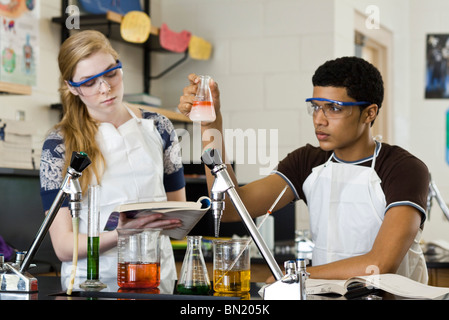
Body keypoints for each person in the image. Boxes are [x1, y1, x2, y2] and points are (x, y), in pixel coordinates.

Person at [178, 56, 429, 284]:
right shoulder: (308, 161)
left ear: (369, 113)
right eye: (316, 106)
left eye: (334, 108)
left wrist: (295, 275)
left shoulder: (403, 169)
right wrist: (211, 126)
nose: (319, 119)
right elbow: (232, 208)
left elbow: (379, 264)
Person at [39, 30, 186, 286]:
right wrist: (122, 235)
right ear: (71, 88)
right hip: (92, 284)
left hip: (158, 278)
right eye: (89, 82)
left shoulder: (159, 126)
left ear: (120, 67)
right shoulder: (58, 145)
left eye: (111, 73)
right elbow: (63, 247)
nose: (105, 88)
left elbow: (179, 218)